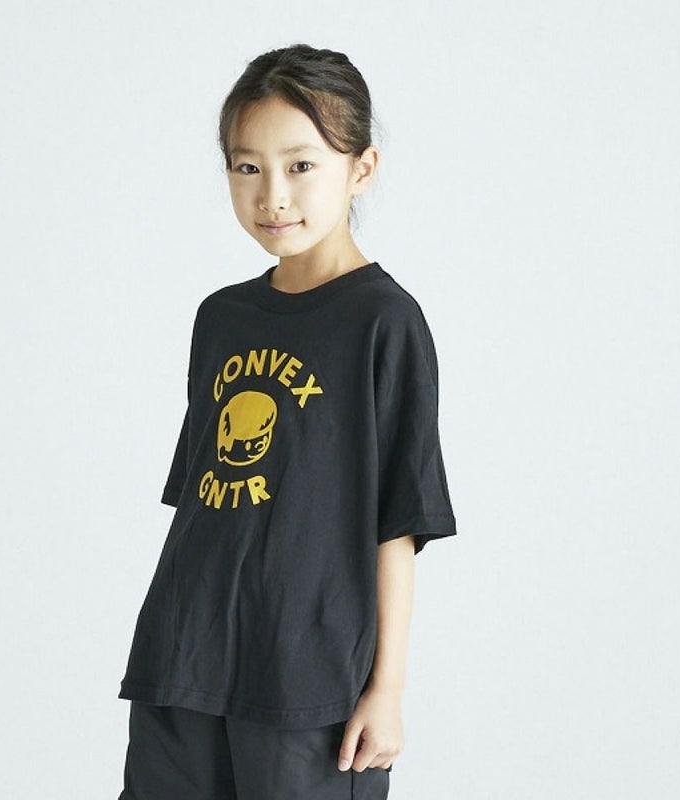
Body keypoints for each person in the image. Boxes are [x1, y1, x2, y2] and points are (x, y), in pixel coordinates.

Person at [116, 43, 457, 800]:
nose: (272, 195)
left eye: (301, 165)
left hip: (309, 675)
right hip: (184, 657)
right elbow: (206, 500)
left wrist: (387, 689)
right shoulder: (221, 317)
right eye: (247, 167)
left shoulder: (384, 322)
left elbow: (399, 524)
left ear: (360, 169)